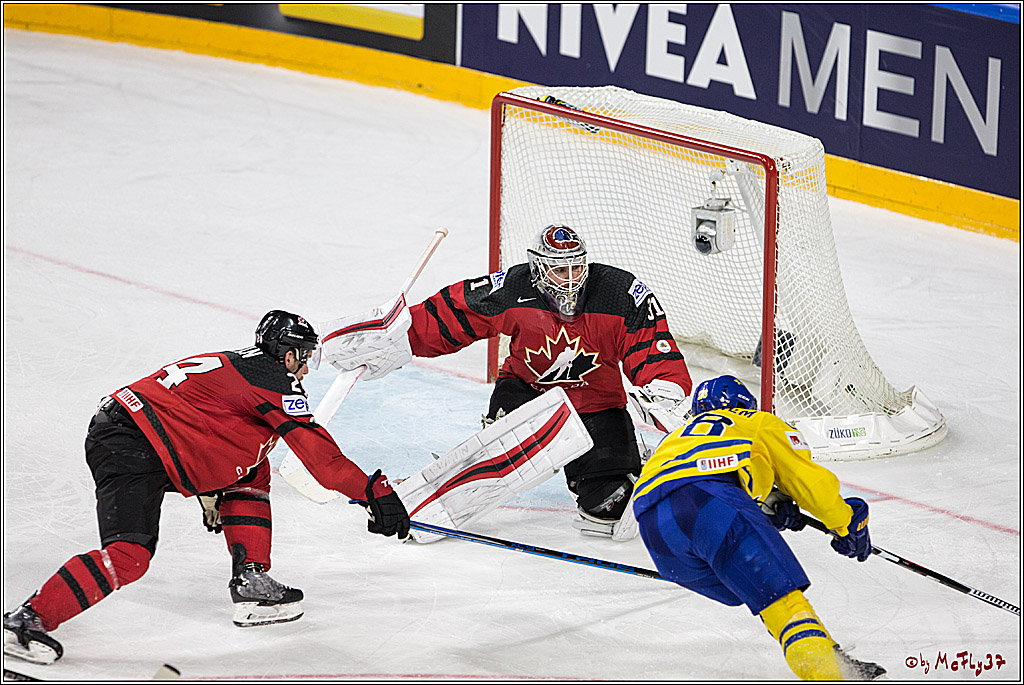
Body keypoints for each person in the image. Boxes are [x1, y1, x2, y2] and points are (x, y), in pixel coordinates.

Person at [3, 311, 409, 666]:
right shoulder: (275, 379)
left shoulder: (237, 362)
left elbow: (197, 414)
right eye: (303, 360)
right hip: (134, 447)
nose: (304, 371)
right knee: (130, 555)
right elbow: (322, 461)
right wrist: (374, 491)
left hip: (128, 430)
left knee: (252, 469)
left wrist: (210, 483)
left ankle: (251, 579)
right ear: (288, 355)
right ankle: (25, 621)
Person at [323, 225, 693, 540]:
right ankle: (455, 479)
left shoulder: (618, 292)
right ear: (538, 268)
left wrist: (665, 388)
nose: (569, 278)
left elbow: (652, 344)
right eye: (558, 270)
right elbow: (455, 313)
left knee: (607, 511)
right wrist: (401, 338)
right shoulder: (513, 287)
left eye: (575, 267)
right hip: (528, 395)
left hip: (597, 405)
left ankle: (630, 456)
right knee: (504, 448)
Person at [632, 374, 885, 681]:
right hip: (710, 501)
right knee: (783, 601)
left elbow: (707, 476)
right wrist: (846, 523)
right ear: (745, 405)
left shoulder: (678, 437)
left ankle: (826, 654)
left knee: (757, 590)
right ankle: (830, 674)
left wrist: (769, 505)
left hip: (655, 531)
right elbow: (809, 483)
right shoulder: (756, 421)